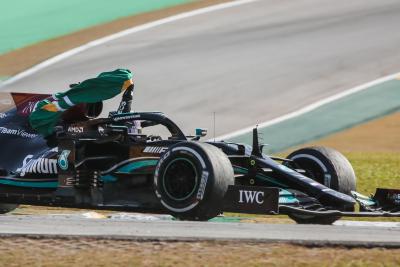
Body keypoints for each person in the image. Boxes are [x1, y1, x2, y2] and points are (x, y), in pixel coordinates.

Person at [29, 69, 134, 137]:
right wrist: (71, 100)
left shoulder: (96, 128)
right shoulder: (47, 111)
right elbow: (36, 119)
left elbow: (125, 76)